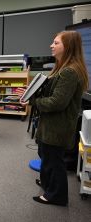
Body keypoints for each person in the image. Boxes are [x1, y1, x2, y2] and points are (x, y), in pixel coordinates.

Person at [23, 31, 88, 206]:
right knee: (45, 154)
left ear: (68, 47)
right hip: (51, 124)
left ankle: (56, 195)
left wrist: (34, 101)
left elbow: (57, 102)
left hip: (57, 126)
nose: (52, 46)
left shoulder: (69, 72)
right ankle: (47, 183)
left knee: (53, 160)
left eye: (56, 43)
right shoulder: (62, 68)